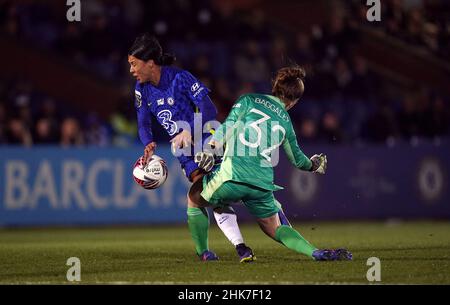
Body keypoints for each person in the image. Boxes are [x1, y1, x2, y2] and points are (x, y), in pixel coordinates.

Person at [189, 66, 352, 261]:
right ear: (293, 102)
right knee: (275, 228)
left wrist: (210, 148)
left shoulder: (248, 100)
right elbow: (299, 161)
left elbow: (227, 127)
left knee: (194, 197)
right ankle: (315, 252)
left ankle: (203, 253)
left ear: (275, 86)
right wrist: (314, 164)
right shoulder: (286, 122)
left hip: (233, 177)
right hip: (262, 185)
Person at [128, 33, 254, 262]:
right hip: (185, 152)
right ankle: (219, 250)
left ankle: (241, 243)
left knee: (217, 194)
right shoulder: (141, 89)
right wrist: (148, 143)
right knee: (206, 194)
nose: (131, 70)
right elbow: (143, 123)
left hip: (209, 140)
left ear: (150, 63)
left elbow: (209, 109)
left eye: (134, 64)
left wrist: (190, 131)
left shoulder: (181, 78)